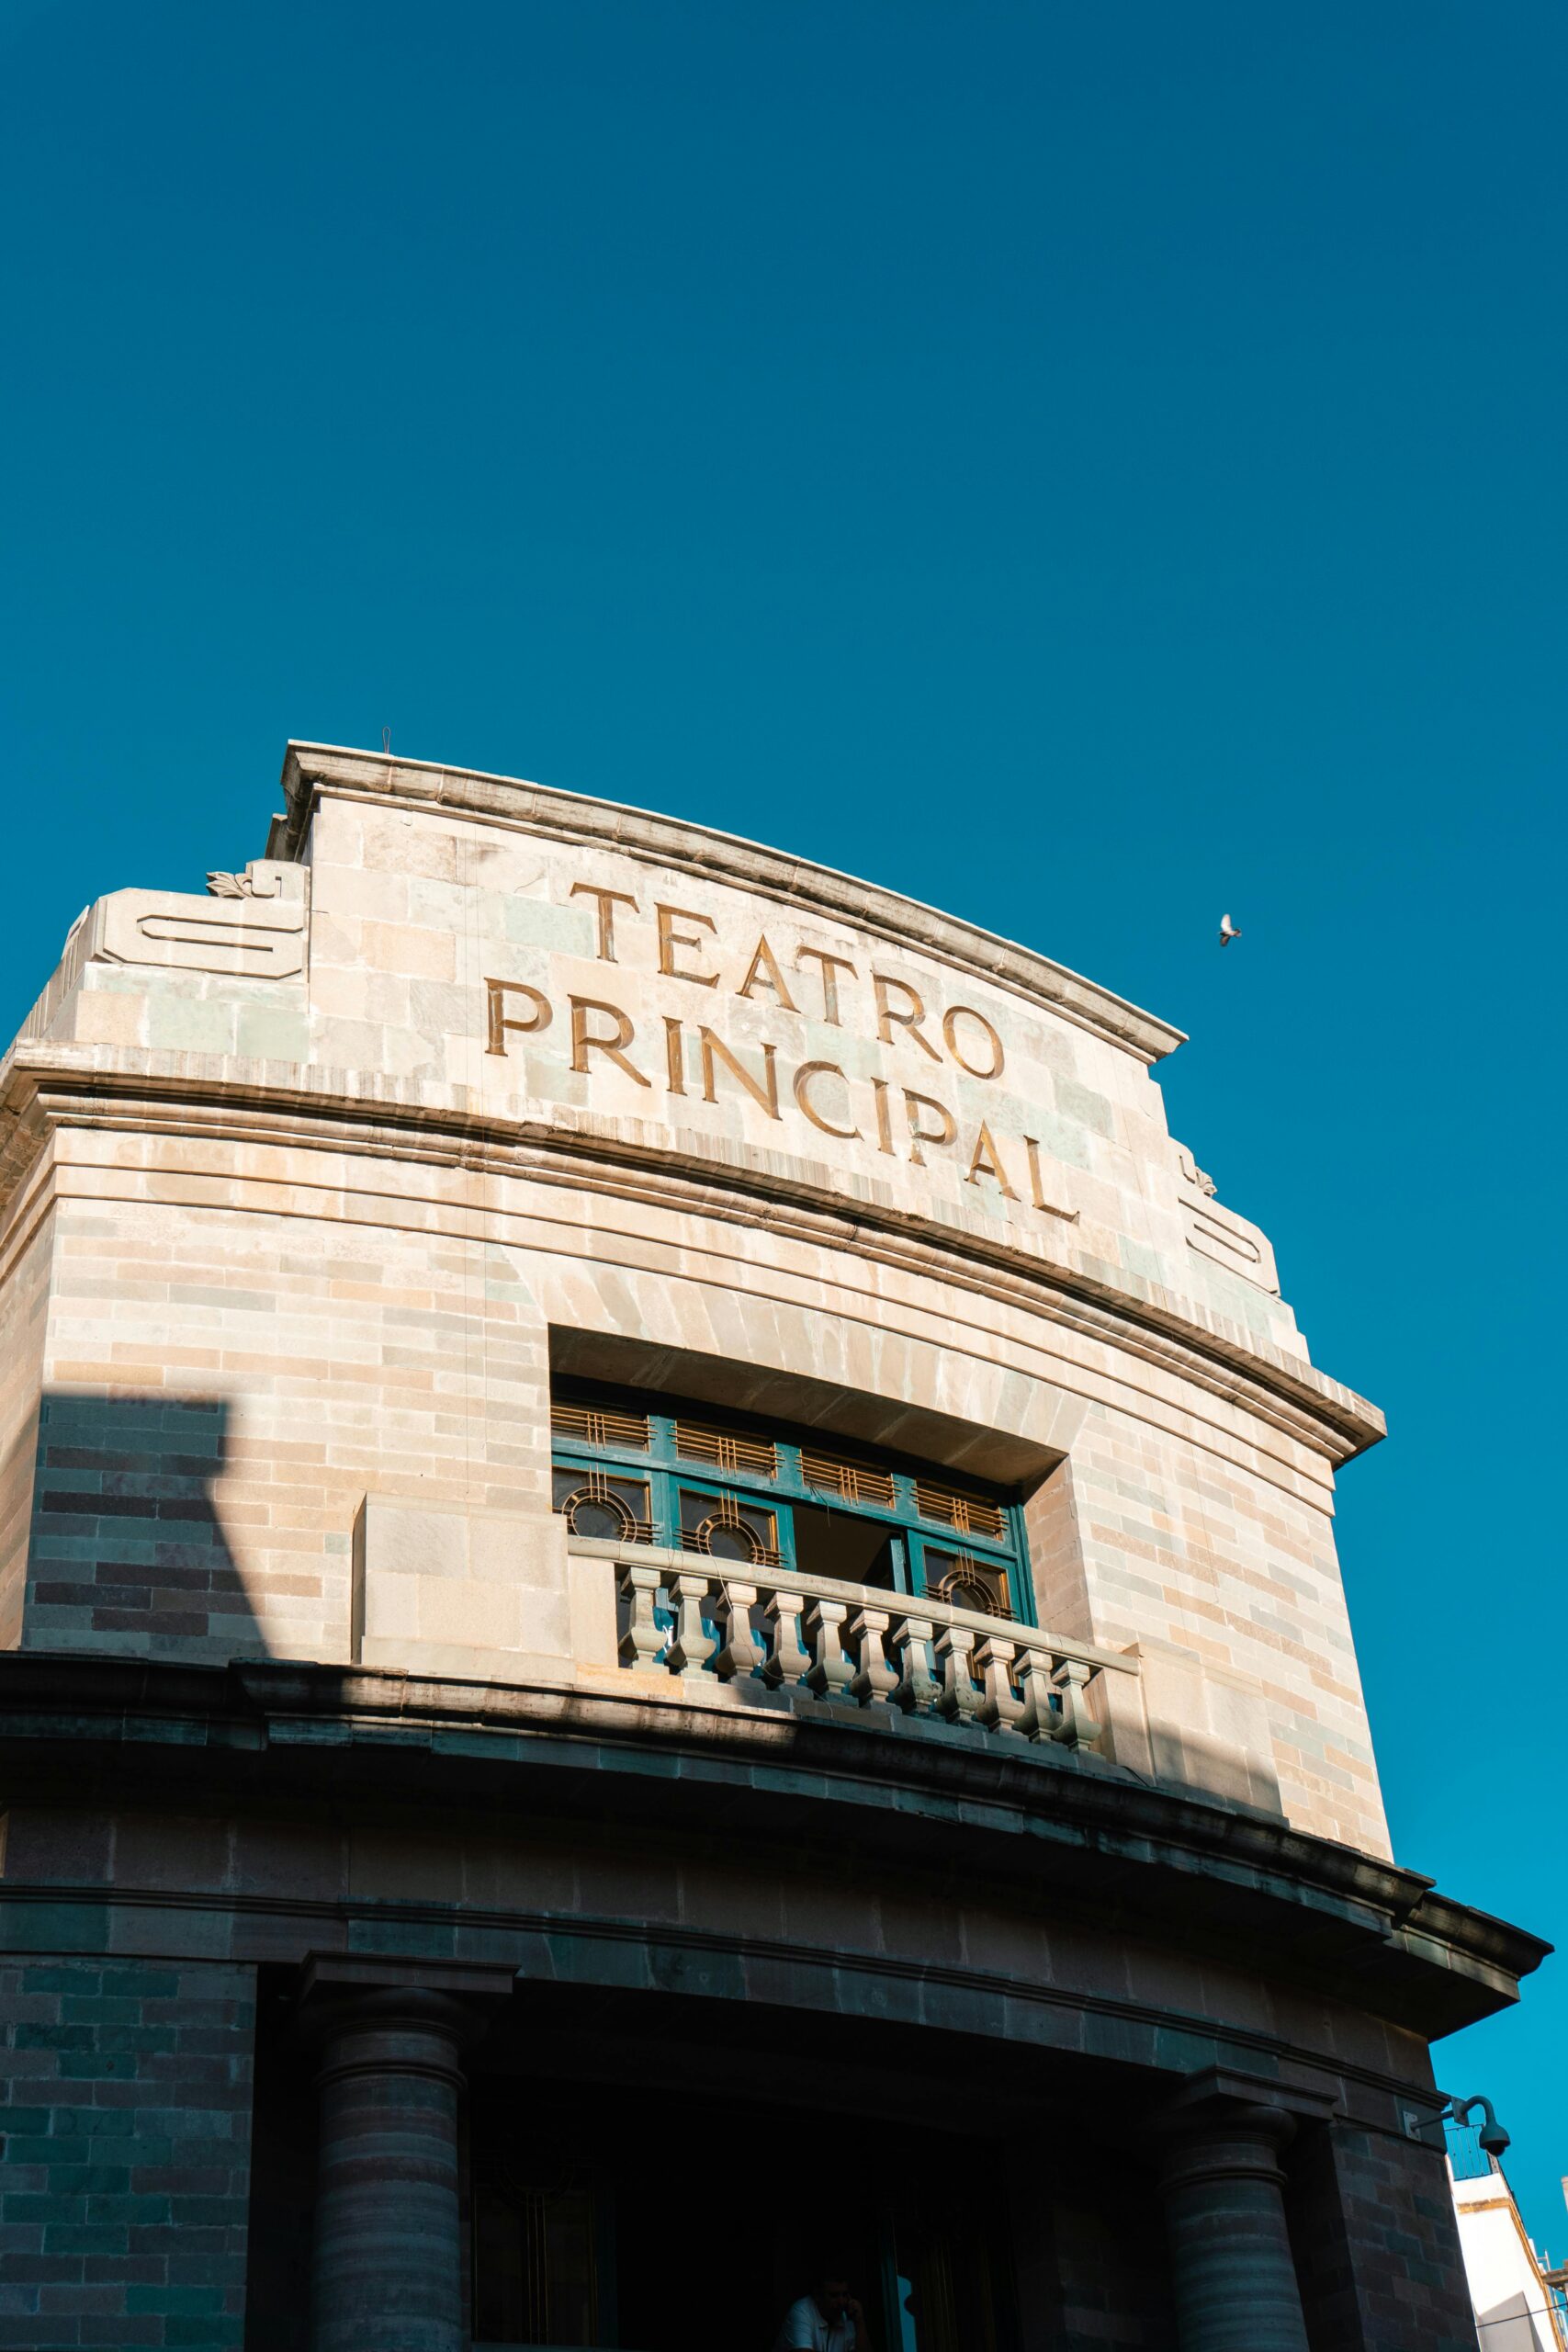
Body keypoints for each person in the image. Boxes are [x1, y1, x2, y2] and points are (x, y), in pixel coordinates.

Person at [773, 2266, 867, 2351]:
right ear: (818, 2295)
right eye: (834, 2295)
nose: (841, 2302)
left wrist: (859, 2322)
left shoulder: (847, 2317)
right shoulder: (802, 2311)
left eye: (845, 2295)